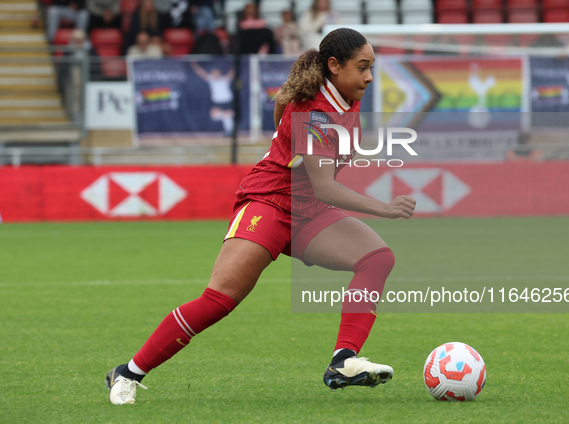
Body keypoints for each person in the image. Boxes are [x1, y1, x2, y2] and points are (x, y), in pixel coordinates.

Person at [105, 27, 416, 405]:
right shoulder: (316, 112)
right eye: (362, 67)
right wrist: (383, 207)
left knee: (376, 258)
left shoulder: (345, 101)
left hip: (308, 213)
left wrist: (285, 141)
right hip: (268, 204)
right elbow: (325, 187)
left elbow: (282, 112)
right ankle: (127, 373)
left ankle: (343, 360)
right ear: (334, 66)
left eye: (371, 67)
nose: (369, 76)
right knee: (220, 299)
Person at [191, 62, 235, 135]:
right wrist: (194, 65)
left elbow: (232, 73)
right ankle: (227, 119)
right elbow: (201, 73)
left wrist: (234, 65)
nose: (214, 74)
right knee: (214, 115)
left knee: (228, 116)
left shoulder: (225, 79)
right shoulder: (211, 79)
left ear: (219, 73)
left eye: (216, 72)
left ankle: (230, 130)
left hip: (227, 101)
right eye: (213, 73)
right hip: (217, 101)